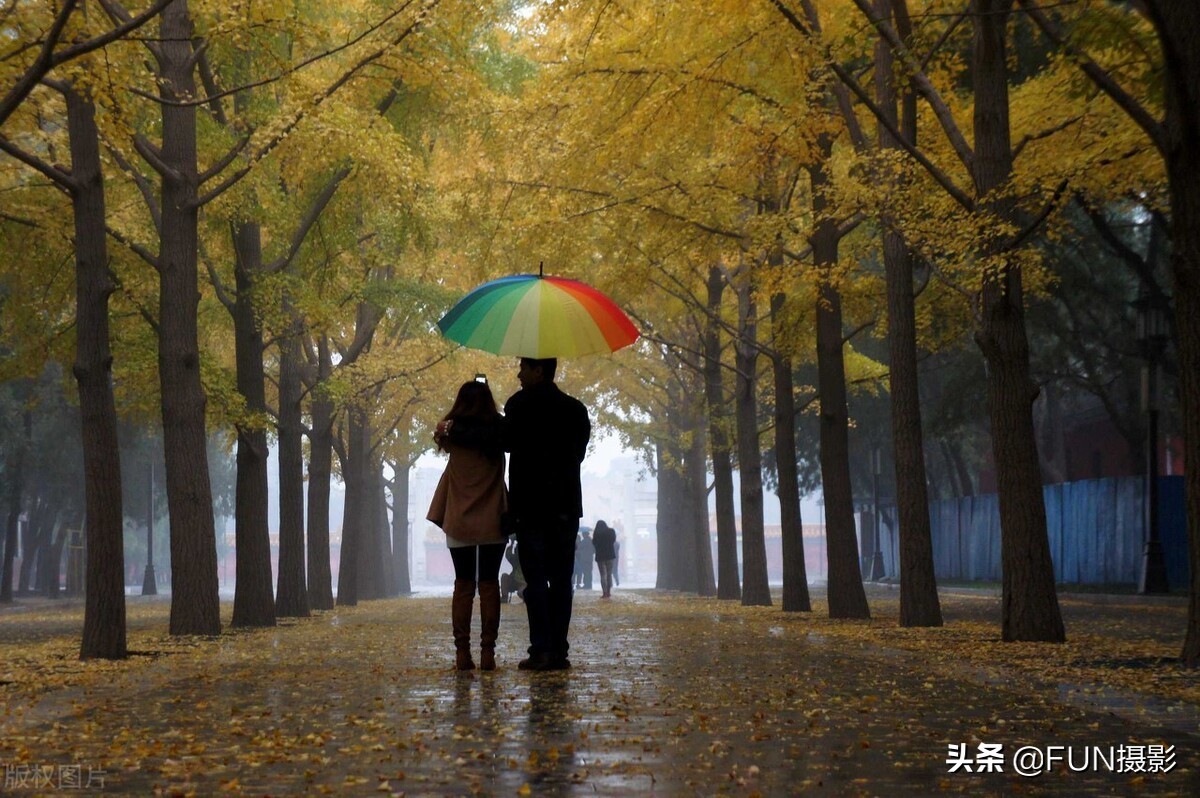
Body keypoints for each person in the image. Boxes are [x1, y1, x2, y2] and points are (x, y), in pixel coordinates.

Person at [503, 357, 591, 671]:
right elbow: (579, 454)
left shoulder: (517, 405)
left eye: (523, 367)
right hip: (565, 506)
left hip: (529, 507)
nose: (518, 373)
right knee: (562, 579)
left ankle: (540, 648)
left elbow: (507, 442)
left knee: (536, 579)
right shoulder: (576, 410)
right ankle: (560, 650)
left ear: (538, 370)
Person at [427, 380, 507, 671]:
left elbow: (445, 436)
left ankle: (463, 654)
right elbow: (496, 433)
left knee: (463, 585)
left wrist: (450, 426)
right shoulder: (499, 432)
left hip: (459, 516)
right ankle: (488, 652)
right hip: (492, 518)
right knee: (488, 583)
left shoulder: (450, 432)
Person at [592, 520, 617, 598]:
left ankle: (604, 593)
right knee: (609, 574)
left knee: (603, 575)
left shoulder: (596, 533)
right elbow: (613, 540)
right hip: (610, 556)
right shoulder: (611, 531)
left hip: (600, 557)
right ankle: (609, 592)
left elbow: (594, 543)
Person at [500, 539, 526, 604]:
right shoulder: (515, 559)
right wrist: (511, 544)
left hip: (524, 583)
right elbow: (509, 556)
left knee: (521, 592)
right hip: (514, 580)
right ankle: (504, 598)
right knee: (504, 576)